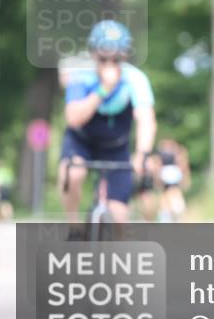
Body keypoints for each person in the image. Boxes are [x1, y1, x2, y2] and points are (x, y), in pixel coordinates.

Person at [58, 20, 156, 236]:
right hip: (81, 141)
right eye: (104, 58)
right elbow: (73, 118)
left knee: (120, 217)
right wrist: (104, 89)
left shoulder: (135, 79)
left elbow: (146, 120)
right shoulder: (81, 76)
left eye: (116, 58)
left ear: (125, 56)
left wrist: (142, 154)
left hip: (115, 146)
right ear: (93, 54)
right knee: (73, 174)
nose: (110, 63)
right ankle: (73, 226)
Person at [152, 138, 191, 222]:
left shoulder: (169, 155)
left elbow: (182, 164)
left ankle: (171, 215)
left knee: (170, 194)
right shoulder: (175, 153)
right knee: (170, 194)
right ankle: (172, 214)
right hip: (170, 175)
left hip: (169, 175)